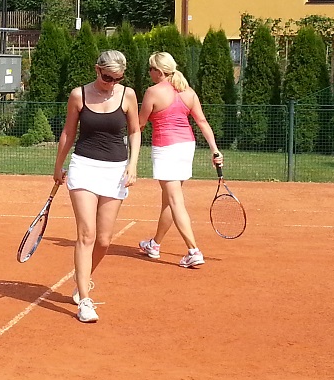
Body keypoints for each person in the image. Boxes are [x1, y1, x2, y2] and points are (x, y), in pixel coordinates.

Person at [52, 49, 140, 323]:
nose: (111, 83)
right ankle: (84, 300)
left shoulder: (128, 95)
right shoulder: (79, 95)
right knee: (86, 234)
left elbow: (135, 131)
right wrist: (58, 166)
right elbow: (68, 132)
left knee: (103, 240)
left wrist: (133, 164)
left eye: (117, 78)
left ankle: (82, 278)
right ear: (97, 70)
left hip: (115, 170)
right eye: (107, 77)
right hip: (84, 167)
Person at [136, 51, 223, 268]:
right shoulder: (189, 92)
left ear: (159, 71)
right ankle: (154, 244)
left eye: (151, 69)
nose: (149, 73)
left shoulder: (152, 92)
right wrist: (215, 150)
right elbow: (202, 122)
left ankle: (193, 251)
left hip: (166, 148)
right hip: (186, 147)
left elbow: (140, 124)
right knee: (169, 199)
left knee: (175, 201)